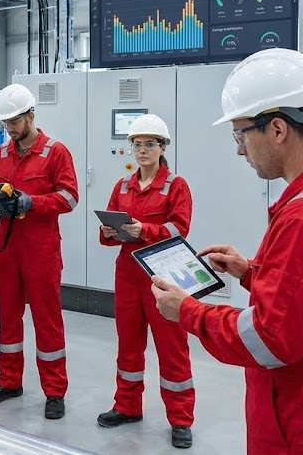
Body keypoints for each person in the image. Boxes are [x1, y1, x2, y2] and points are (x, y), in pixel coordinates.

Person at [151, 48, 303, 455]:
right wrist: (253, 273)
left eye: (241, 134)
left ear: (277, 129)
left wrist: (187, 311)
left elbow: (271, 341)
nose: (240, 150)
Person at [0, 83, 79, 420]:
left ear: (31, 115)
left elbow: (69, 197)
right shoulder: (0, 155)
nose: (9, 129)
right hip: (7, 248)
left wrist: (32, 202)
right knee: (7, 316)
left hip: (41, 250)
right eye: (5, 123)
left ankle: (54, 391)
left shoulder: (55, 152)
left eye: (14, 122)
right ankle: (9, 381)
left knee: (47, 320)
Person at [97, 114, 195, 449]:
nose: (142, 150)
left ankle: (181, 419)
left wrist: (146, 231)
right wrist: (109, 232)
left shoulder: (175, 185)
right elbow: (107, 231)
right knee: (128, 344)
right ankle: (127, 406)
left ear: (163, 147)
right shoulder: (122, 186)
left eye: (149, 144)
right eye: (137, 145)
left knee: (172, 348)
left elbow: (180, 229)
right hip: (127, 275)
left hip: (163, 276)